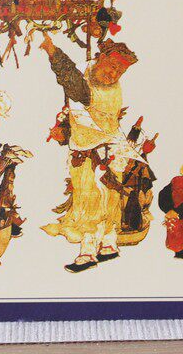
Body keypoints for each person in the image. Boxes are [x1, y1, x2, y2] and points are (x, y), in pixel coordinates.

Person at [39, 31, 143, 273]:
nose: (114, 74)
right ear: (101, 59)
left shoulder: (105, 91)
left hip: (100, 152)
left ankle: (89, 251)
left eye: (120, 72)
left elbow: (74, 84)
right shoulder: (91, 75)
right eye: (112, 67)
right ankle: (106, 244)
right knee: (100, 198)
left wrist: (53, 52)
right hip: (88, 149)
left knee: (95, 200)